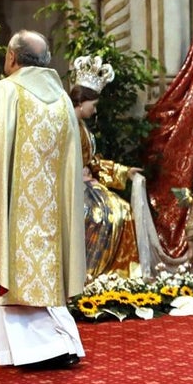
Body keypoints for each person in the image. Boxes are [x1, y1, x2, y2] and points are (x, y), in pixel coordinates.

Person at [0, 30, 86, 369]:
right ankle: (5, 343)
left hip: (10, 209)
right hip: (52, 214)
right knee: (40, 272)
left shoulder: (0, 94)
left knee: (8, 269)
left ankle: (43, 349)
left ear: (12, 57)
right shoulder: (62, 101)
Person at [69, 56, 143, 278]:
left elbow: (93, 162)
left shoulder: (82, 126)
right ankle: (92, 273)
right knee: (108, 215)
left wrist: (124, 171)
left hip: (86, 185)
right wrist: (76, 174)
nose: (95, 111)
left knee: (124, 210)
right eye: (93, 106)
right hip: (72, 189)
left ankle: (116, 274)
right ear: (81, 102)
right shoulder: (66, 125)